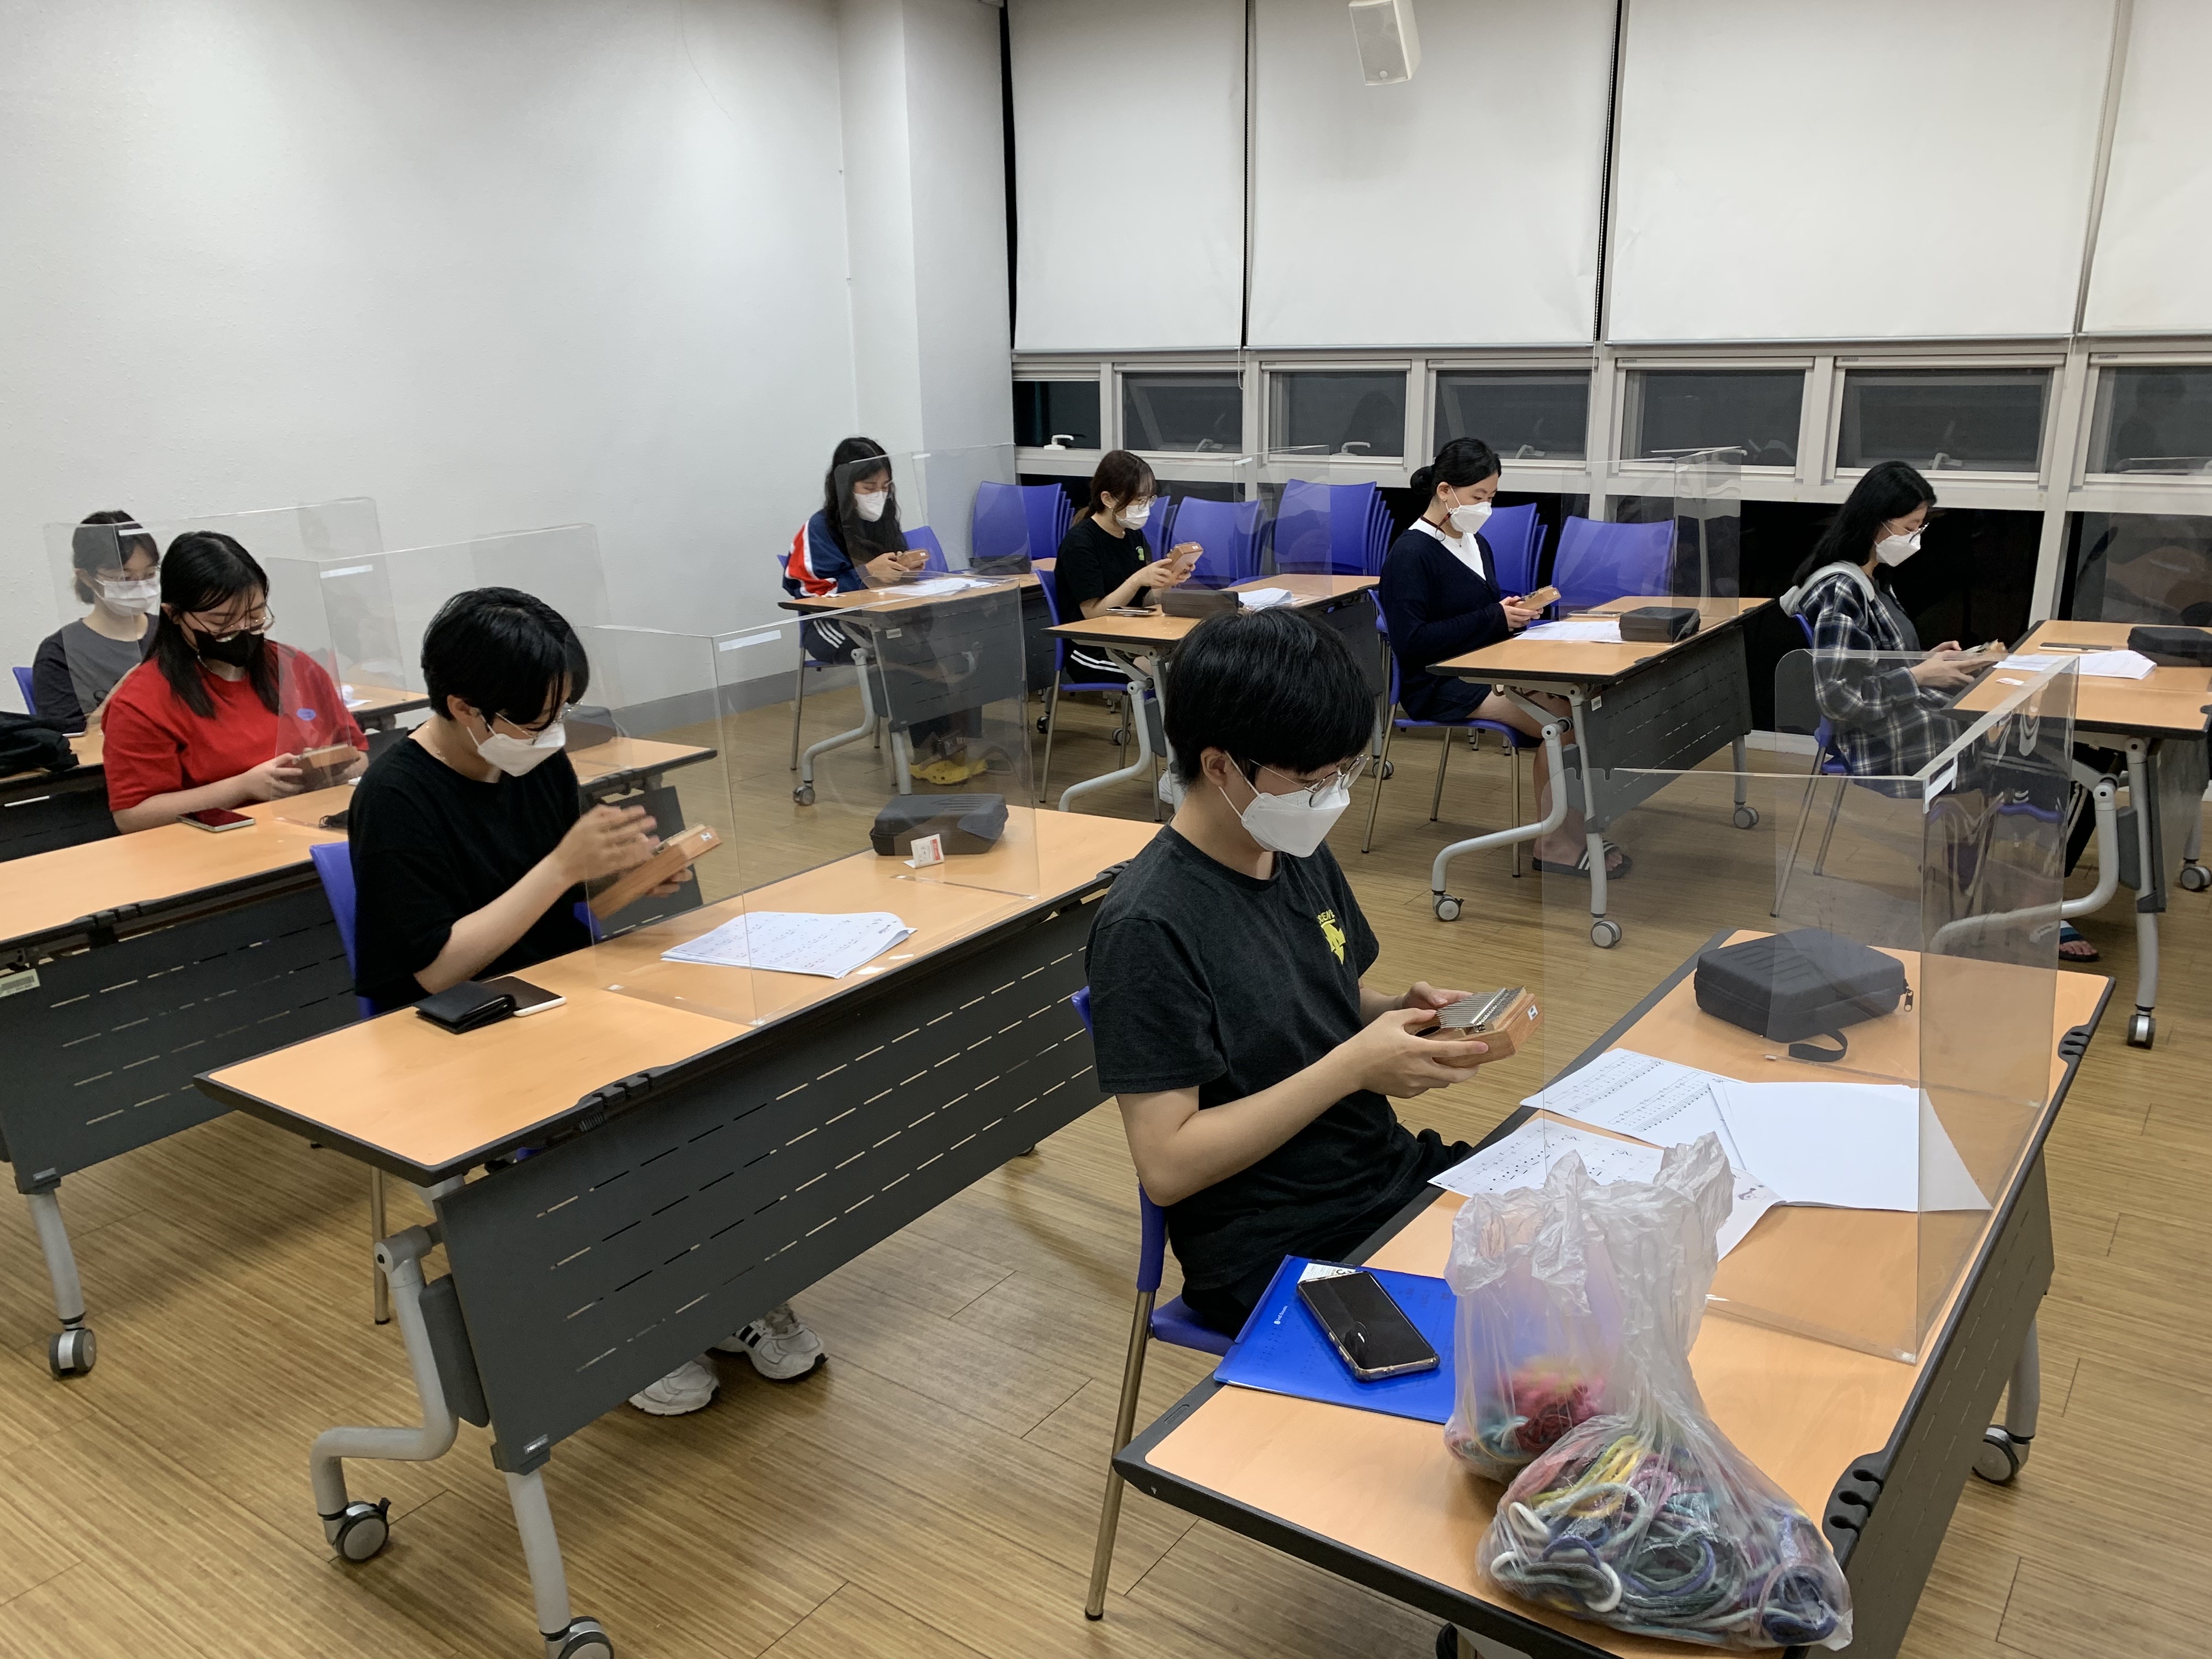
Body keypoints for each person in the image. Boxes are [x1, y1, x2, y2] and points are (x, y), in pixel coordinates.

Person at [348, 586, 827, 1413]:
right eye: (537, 718)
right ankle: (636, 1318)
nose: (553, 733)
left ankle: (728, 1288)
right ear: (463, 707)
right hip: (459, 1031)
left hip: (563, 996)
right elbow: (435, 968)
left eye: (562, 709)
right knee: (623, 1124)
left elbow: (562, 915)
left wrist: (628, 882)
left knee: (720, 1079)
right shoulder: (395, 797)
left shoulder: (532, 761)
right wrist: (563, 869)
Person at [1085, 607, 1493, 1337]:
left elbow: (1325, 997)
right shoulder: (1148, 925)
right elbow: (1168, 1165)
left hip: (1380, 1173)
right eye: (1312, 781)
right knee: (1504, 1343)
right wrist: (1353, 1067)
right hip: (1275, 1240)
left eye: (1342, 774)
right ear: (1219, 766)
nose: (1331, 798)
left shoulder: (1290, 845)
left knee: (1580, 1231)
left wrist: (1399, 1013)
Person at [1781, 464, 2097, 961]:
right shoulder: (1842, 589)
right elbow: (1838, 697)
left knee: (2046, 747)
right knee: (2050, 762)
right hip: (1883, 741)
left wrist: (1927, 662)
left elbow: (1872, 665)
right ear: (1876, 521)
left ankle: (1972, 872)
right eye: (1910, 527)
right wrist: (1918, 677)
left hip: (1905, 720)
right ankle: (2030, 907)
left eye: (1920, 526)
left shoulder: (1871, 578)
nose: (1916, 538)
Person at [1379, 437, 1626, 878]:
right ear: (1445, 491)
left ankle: (1574, 830)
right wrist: (1494, 617)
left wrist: (1510, 616)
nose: (1486, 507)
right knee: (1563, 724)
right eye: (1479, 496)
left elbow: (1475, 615)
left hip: (1485, 668)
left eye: (1491, 496)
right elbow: (1412, 641)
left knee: (1584, 709)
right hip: (1441, 681)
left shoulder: (1476, 543)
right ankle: (1554, 843)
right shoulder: (1410, 554)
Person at [101, 531, 366, 834]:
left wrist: (328, 773)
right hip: (212, 846)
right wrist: (242, 787)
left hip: (308, 829)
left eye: (254, 617)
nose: (241, 630)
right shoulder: (142, 702)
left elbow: (358, 756)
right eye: (221, 622)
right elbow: (133, 816)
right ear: (174, 615)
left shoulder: (295, 668)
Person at [781, 437, 985, 786]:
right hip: (831, 624)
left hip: (884, 618)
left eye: (886, 486)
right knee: (901, 650)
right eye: (869, 487)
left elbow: (887, 580)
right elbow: (808, 592)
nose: (879, 494)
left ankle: (954, 745)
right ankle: (926, 752)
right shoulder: (818, 529)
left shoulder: (884, 521)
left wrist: (906, 571)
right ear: (844, 486)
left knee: (948, 642)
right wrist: (865, 574)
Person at [31, 511, 161, 732]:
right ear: (86, 577)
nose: (140, 587)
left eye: (149, 574)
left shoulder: (173, 631)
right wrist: (125, 693)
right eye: (124, 578)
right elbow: (68, 738)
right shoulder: (60, 653)